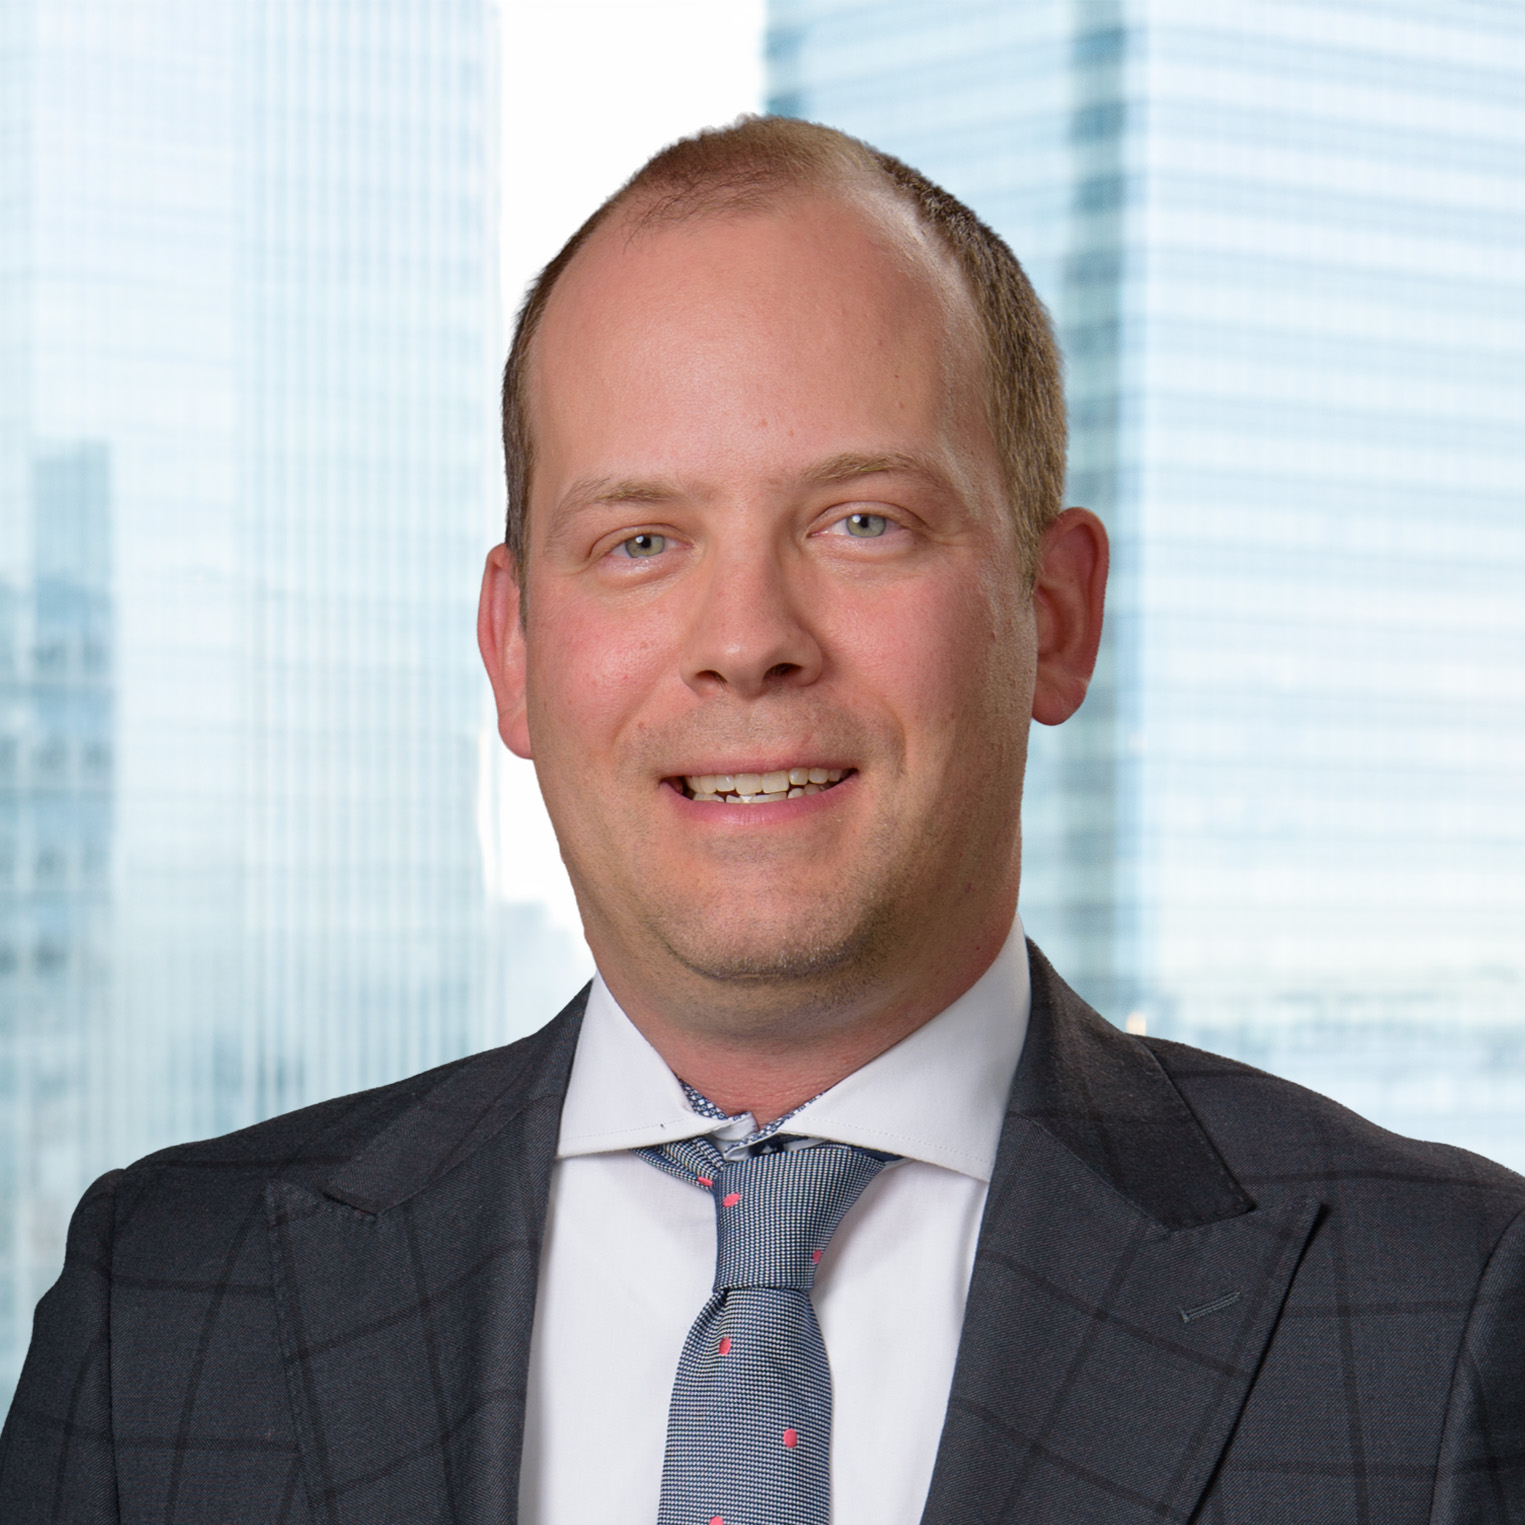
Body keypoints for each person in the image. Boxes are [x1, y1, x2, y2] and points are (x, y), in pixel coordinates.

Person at [2, 116, 1521, 1525]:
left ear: (1055, 616)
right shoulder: (168, 1304)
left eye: (862, 521)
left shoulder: (1446, 1314)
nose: (746, 640)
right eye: (639, 539)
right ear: (513, 651)